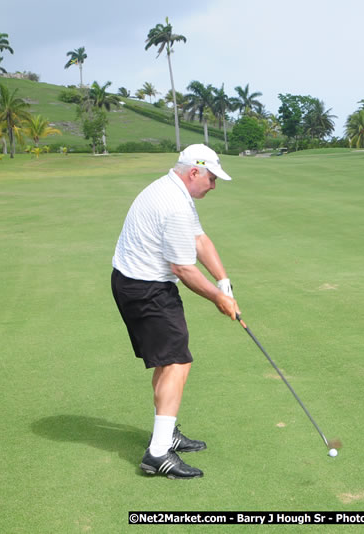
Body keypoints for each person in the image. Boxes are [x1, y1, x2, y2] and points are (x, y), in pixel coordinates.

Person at [111, 144, 239, 479]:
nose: (213, 185)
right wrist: (218, 299)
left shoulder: (174, 189)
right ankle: (157, 454)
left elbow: (200, 240)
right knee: (178, 362)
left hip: (142, 283)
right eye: (211, 178)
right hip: (145, 289)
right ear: (194, 171)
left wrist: (224, 282)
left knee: (170, 360)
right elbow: (184, 268)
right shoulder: (174, 204)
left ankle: (163, 436)